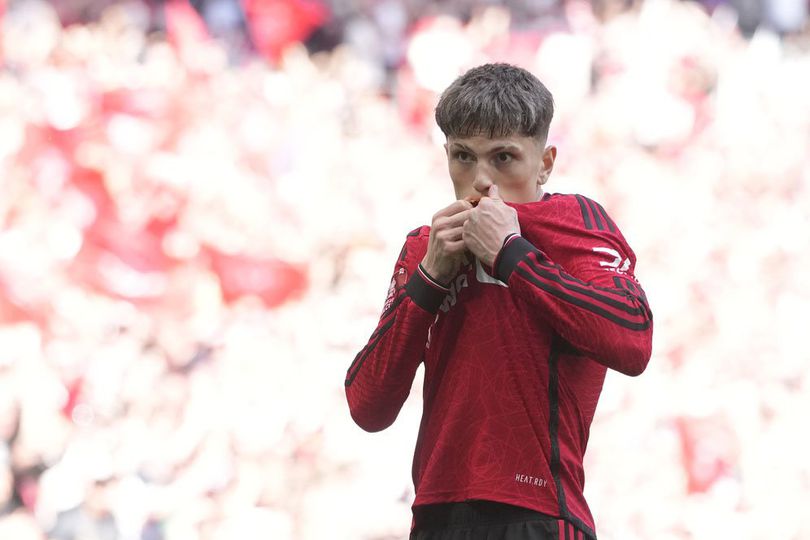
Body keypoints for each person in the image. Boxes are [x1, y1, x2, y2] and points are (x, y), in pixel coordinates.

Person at [344, 63, 653, 540]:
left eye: (504, 158)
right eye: (463, 157)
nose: (480, 180)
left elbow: (633, 339)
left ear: (545, 162)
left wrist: (511, 255)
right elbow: (369, 407)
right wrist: (429, 279)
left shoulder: (576, 222)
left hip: (541, 514)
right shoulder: (425, 248)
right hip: (435, 515)